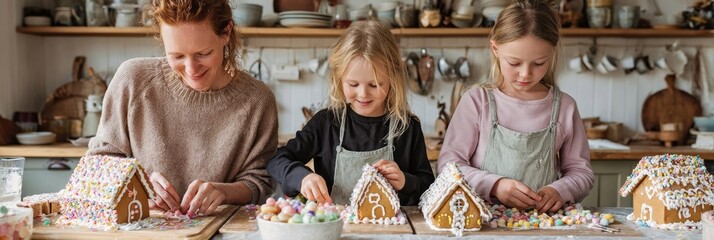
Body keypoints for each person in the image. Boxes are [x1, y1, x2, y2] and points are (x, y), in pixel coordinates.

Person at [87, 0, 278, 216]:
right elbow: (96, 166)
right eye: (176, 56)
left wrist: (223, 192)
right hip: (142, 230)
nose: (191, 69)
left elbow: (260, 182)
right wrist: (138, 182)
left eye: (203, 54)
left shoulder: (258, 100)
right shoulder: (133, 80)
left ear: (226, 32)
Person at [437, 0, 594, 213]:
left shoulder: (564, 107)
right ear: (495, 49)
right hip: (483, 222)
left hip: (544, 224)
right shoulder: (477, 101)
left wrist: (560, 189)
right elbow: (448, 167)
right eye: (514, 63)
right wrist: (495, 185)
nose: (525, 74)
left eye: (539, 63)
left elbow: (581, 173)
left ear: (552, 53)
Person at [267, 21, 434, 206]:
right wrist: (301, 177)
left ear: (393, 79)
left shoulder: (407, 127)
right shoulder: (326, 123)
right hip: (337, 229)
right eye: (353, 84)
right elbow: (277, 159)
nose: (363, 94)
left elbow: (429, 187)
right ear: (339, 79)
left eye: (375, 85)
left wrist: (405, 181)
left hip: (391, 230)